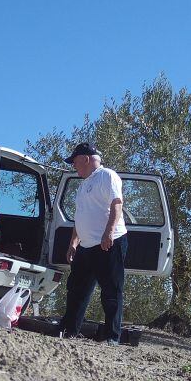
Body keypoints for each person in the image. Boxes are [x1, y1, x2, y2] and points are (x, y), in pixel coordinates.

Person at [59, 143, 129, 345]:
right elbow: (80, 216)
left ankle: (111, 336)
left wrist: (108, 233)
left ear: (86, 158)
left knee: (111, 291)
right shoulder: (82, 186)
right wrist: (74, 241)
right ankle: (69, 330)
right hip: (86, 246)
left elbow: (117, 205)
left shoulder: (107, 176)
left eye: (75, 161)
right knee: (76, 289)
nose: (74, 166)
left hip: (109, 242)